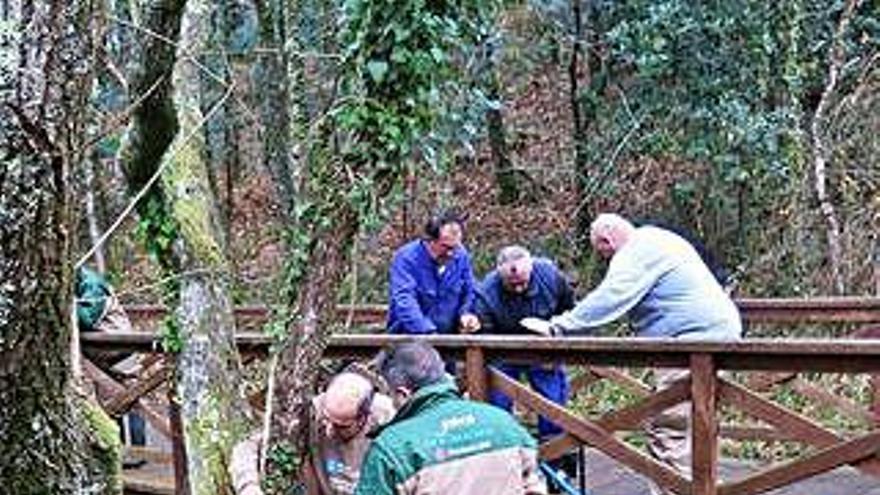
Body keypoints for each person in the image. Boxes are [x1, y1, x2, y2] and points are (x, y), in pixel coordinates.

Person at [521, 213, 742, 495]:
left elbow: (612, 296)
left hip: (694, 343)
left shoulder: (637, 250)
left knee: (669, 426)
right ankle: (703, 488)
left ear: (607, 240)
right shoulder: (659, 239)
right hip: (716, 338)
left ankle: (678, 492)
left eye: (603, 253)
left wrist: (559, 327)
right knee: (700, 422)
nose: (605, 260)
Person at [354, 341, 547, 495]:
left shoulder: (391, 447)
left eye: (389, 395)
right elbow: (535, 487)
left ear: (402, 394)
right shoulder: (505, 423)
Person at [231, 371, 395, 495]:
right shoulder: (313, 410)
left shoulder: (389, 418)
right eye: (326, 420)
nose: (329, 431)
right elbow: (247, 447)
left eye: (341, 426)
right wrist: (249, 486)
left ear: (363, 418)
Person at [474, 245, 575, 440]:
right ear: (500, 276)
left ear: (532, 270)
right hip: (501, 349)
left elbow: (569, 310)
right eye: (512, 285)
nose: (519, 288)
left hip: (543, 345)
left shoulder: (550, 276)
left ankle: (555, 453)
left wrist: (558, 342)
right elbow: (483, 335)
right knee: (497, 403)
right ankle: (501, 446)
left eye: (523, 282)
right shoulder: (486, 292)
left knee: (552, 402)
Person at [386, 210, 480, 336]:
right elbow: (405, 300)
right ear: (429, 241)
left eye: (455, 247)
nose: (451, 253)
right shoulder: (406, 259)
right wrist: (427, 331)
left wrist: (467, 314)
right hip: (410, 338)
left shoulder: (461, 256)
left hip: (449, 337)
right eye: (446, 247)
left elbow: (470, 290)